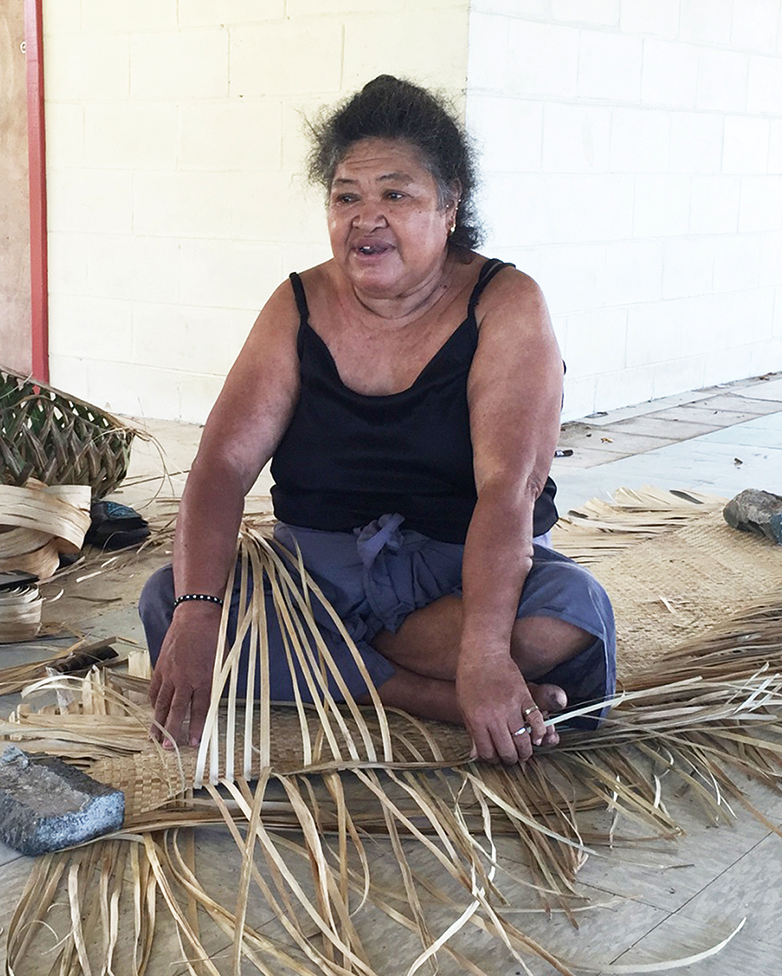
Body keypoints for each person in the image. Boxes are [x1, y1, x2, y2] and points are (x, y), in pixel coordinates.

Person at [139, 75, 615, 765]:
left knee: (565, 617)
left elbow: (508, 490)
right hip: (313, 577)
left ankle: (353, 662)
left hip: (460, 581)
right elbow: (222, 466)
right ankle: (422, 695)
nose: (367, 218)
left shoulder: (504, 302)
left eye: (396, 194)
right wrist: (198, 611)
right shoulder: (297, 302)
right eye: (346, 196)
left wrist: (483, 651)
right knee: (170, 603)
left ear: (450, 205)